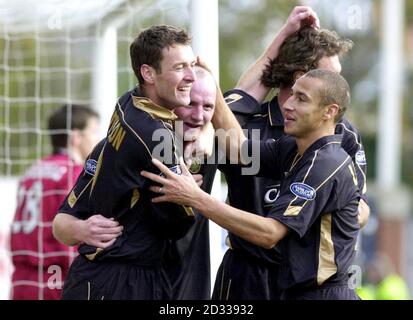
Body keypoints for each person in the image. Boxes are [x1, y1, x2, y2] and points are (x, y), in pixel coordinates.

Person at [142, 69, 361, 300]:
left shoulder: (325, 163)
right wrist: (212, 90)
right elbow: (239, 151)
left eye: (301, 99)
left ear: (330, 111)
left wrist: (195, 197)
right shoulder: (294, 148)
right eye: (292, 94)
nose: (288, 104)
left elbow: (270, 233)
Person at [215, 6, 369, 300]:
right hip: (247, 275)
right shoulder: (244, 125)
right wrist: (283, 36)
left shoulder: (340, 133)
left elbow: (358, 208)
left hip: (306, 283)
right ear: (302, 76)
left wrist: (337, 213)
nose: (340, 85)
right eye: (329, 74)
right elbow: (227, 110)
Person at [54, 25, 212, 300]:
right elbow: (179, 225)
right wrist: (190, 195)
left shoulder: (129, 103)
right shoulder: (154, 136)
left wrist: (209, 133)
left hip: (139, 276)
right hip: (118, 280)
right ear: (148, 73)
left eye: (208, 107)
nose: (190, 78)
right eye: (179, 68)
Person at [9, 104, 100, 300]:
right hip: (56, 276)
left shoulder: (32, 170)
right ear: (76, 137)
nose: (97, 139)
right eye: (93, 132)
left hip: (22, 278)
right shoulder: (75, 174)